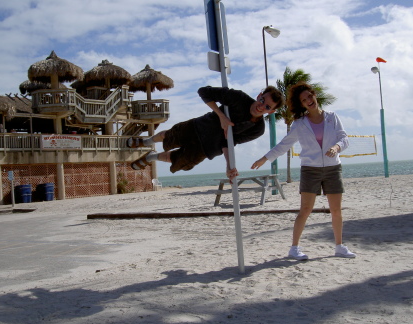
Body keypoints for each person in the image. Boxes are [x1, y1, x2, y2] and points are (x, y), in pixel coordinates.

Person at [251, 82, 356, 260]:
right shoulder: (300, 124)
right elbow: (284, 145)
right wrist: (264, 158)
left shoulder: (332, 117)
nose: (309, 100)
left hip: (333, 168)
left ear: (315, 96)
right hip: (310, 170)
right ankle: (294, 249)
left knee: (336, 210)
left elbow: (344, 138)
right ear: (301, 104)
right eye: (304, 99)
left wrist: (336, 147)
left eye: (310, 96)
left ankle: (339, 246)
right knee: (305, 209)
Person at [128, 85, 284, 177]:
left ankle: (152, 157)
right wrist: (221, 116)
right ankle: (147, 141)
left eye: (268, 107)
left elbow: (230, 142)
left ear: (271, 112)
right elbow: (204, 91)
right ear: (259, 95)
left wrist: (229, 166)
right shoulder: (239, 98)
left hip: (208, 149)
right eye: (263, 100)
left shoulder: (257, 129)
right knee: (168, 136)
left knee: (177, 160)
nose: (262, 106)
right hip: (199, 126)